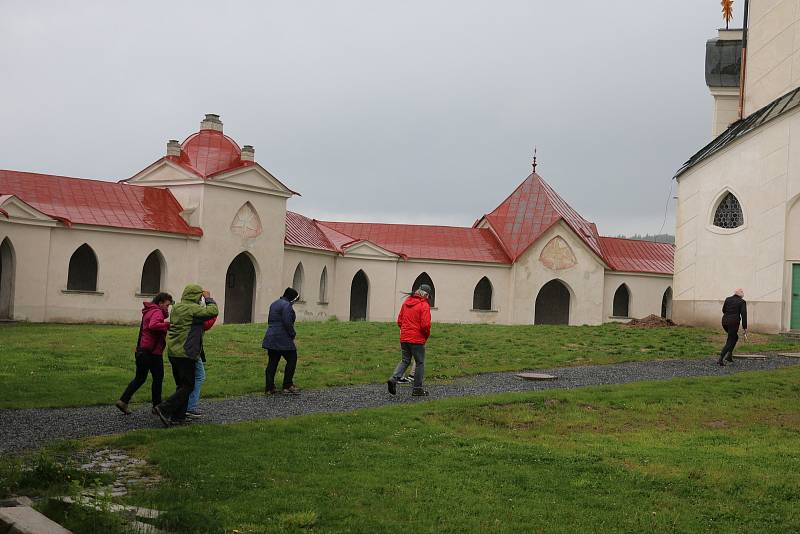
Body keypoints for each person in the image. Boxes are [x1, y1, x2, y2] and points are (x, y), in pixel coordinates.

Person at [154, 285, 218, 426]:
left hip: (174, 352)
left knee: (181, 385)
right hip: (186, 352)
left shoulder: (177, 308)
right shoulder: (192, 309)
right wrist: (208, 298)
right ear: (196, 296)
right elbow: (213, 311)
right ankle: (164, 408)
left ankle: (178, 417)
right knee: (188, 385)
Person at [116, 292, 172, 415]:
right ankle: (157, 406)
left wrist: (165, 314)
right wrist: (168, 325)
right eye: (167, 305)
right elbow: (153, 325)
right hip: (153, 352)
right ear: (160, 302)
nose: (168, 308)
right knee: (158, 378)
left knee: (140, 378)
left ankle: (123, 400)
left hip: (142, 350)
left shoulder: (149, 311)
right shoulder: (156, 312)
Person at [387, 284, 432, 397]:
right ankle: (417, 389)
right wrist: (426, 336)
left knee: (405, 360)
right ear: (425, 294)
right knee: (419, 363)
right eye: (428, 296)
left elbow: (399, 321)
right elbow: (425, 325)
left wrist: (406, 331)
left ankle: (394, 379)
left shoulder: (406, 303)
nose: (427, 298)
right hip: (417, 339)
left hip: (404, 338)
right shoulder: (424, 305)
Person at [262, 288, 301, 395]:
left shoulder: (274, 304)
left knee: (272, 362)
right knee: (292, 358)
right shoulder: (287, 305)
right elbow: (287, 322)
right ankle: (288, 385)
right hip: (283, 338)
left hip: (271, 337)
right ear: (292, 298)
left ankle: (269, 387)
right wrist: (292, 334)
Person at [185, 316, 216, 419]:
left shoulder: (182, 311)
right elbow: (206, 324)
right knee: (199, 377)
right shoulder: (195, 312)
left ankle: (184, 407)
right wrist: (213, 311)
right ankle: (190, 407)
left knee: (187, 379)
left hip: (182, 349)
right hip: (192, 350)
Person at [718, 288, 747, 366]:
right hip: (733, 323)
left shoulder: (728, 299)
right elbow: (744, 315)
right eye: (742, 291)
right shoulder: (742, 302)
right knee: (731, 339)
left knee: (734, 337)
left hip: (724, 322)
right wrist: (745, 327)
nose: (743, 292)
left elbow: (723, 310)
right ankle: (721, 358)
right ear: (740, 293)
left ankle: (729, 356)